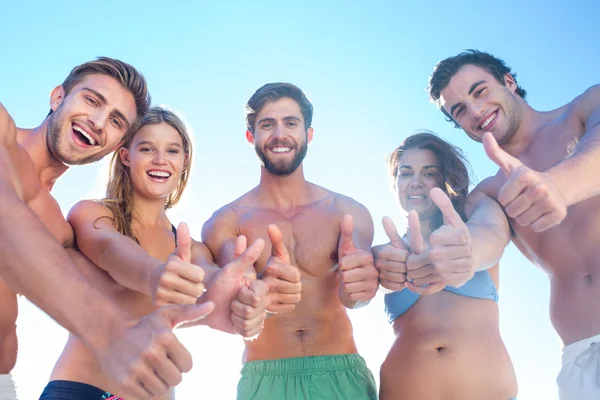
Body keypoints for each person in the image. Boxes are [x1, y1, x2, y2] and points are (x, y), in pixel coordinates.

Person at [0, 58, 212, 400]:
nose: (98, 122)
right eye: (91, 100)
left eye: (116, 121)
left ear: (117, 145)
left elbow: (119, 281)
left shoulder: (57, 227)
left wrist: (231, 296)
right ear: (57, 97)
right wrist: (107, 331)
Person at [39, 107, 270, 399]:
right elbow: (112, 250)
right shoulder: (92, 214)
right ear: (126, 156)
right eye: (147, 148)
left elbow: (211, 282)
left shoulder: (191, 248)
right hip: (82, 390)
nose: (160, 160)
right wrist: (156, 273)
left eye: (172, 151)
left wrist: (239, 295)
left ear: (184, 161)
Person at [428, 49, 600, 399]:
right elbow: (487, 234)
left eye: (480, 91)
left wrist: (558, 185)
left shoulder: (585, 108)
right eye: (459, 110)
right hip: (580, 358)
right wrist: (467, 254)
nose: (475, 112)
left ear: (509, 82)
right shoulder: (489, 191)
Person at [201, 83, 380, 400]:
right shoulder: (226, 221)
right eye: (267, 124)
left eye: (291, 123)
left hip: (341, 375)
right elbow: (237, 295)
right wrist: (257, 293)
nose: (279, 134)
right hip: (266, 378)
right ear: (251, 137)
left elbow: (357, 295)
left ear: (308, 134)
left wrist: (361, 290)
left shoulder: (348, 212)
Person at [374, 132, 517, 400]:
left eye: (429, 173)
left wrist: (465, 254)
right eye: (405, 173)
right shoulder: (385, 253)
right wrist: (376, 262)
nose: (416, 182)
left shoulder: (475, 214)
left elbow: (492, 235)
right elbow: (354, 294)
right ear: (395, 184)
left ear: (445, 179)